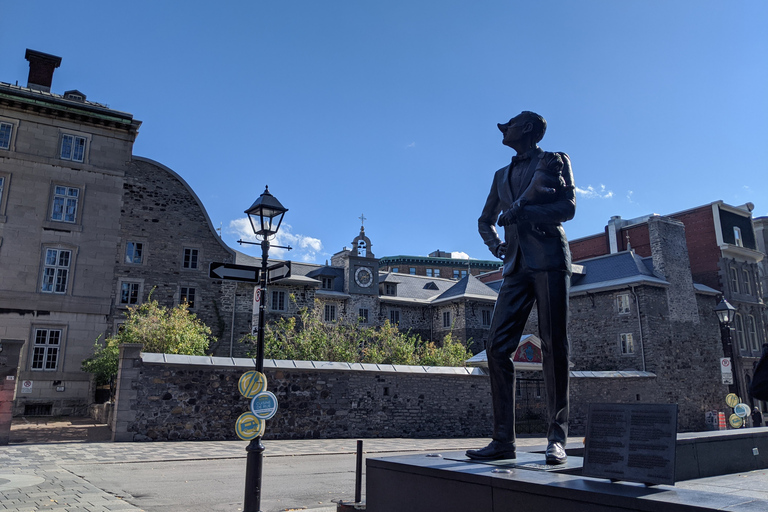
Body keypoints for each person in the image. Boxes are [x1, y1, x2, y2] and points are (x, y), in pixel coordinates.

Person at [467, 111, 575, 465]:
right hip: (514, 265)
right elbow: (485, 220)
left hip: (549, 259)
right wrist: (496, 246)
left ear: (526, 128)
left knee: (553, 343)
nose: (503, 128)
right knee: (496, 347)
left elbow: (568, 208)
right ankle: (503, 440)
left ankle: (556, 438)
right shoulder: (501, 175)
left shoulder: (554, 160)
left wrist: (525, 213)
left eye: (509, 124)